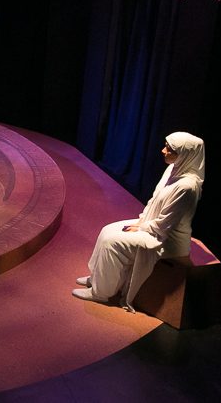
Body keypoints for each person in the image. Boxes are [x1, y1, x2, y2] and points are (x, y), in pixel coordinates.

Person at [72, 132, 205, 311]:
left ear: (185, 155)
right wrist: (142, 220)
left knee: (112, 243)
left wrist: (142, 227)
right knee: (107, 230)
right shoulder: (173, 169)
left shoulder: (187, 187)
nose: (163, 150)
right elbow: (154, 199)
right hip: (153, 225)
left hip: (166, 239)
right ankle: (97, 278)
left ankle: (101, 292)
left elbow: (166, 224)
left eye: (170, 149)